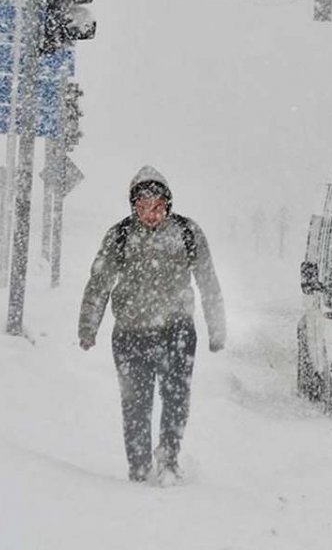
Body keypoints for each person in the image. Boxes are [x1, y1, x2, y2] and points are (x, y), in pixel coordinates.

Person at [78, 166, 227, 484]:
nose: (150, 214)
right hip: (131, 335)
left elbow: (208, 281)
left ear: (167, 204)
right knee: (135, 404)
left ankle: (169, 459)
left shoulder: (187, 232)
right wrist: (88, 327)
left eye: (157, 206)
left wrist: (217, 328)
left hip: (177, 332)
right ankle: (139, 466)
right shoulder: (120, 235)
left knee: (175, 399)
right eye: (143, 207)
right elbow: (99, 283)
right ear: (134, 207)